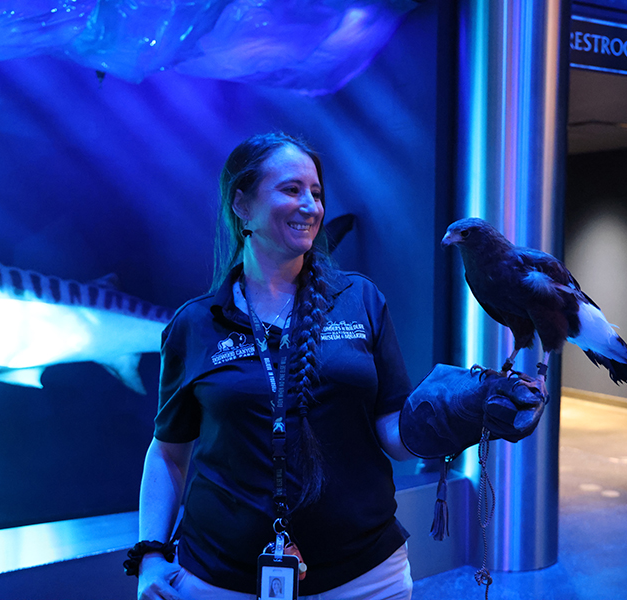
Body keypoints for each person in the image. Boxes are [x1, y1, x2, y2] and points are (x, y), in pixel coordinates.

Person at [131, 132, 417, 600]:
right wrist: (150, 555)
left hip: (365, 577)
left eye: (317, 193)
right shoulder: (196, 324)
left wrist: (455, 418)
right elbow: (167, 452)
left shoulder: (359, 300)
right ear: (242, 205)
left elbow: (394, 432)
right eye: (291, 189)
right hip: (221, 579)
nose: (311, 206)